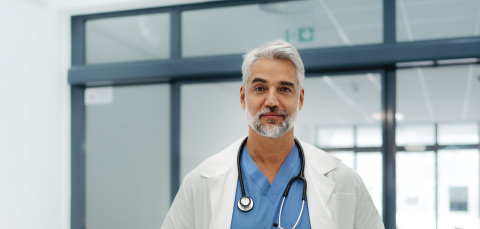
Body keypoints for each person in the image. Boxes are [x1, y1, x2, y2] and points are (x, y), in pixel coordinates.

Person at [161, 40, 384, 229]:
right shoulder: (200, 182)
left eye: (284, 89)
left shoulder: (344, 182)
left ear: (301, 99)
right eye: (260, 88)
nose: (271, 101)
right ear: (242, 97)